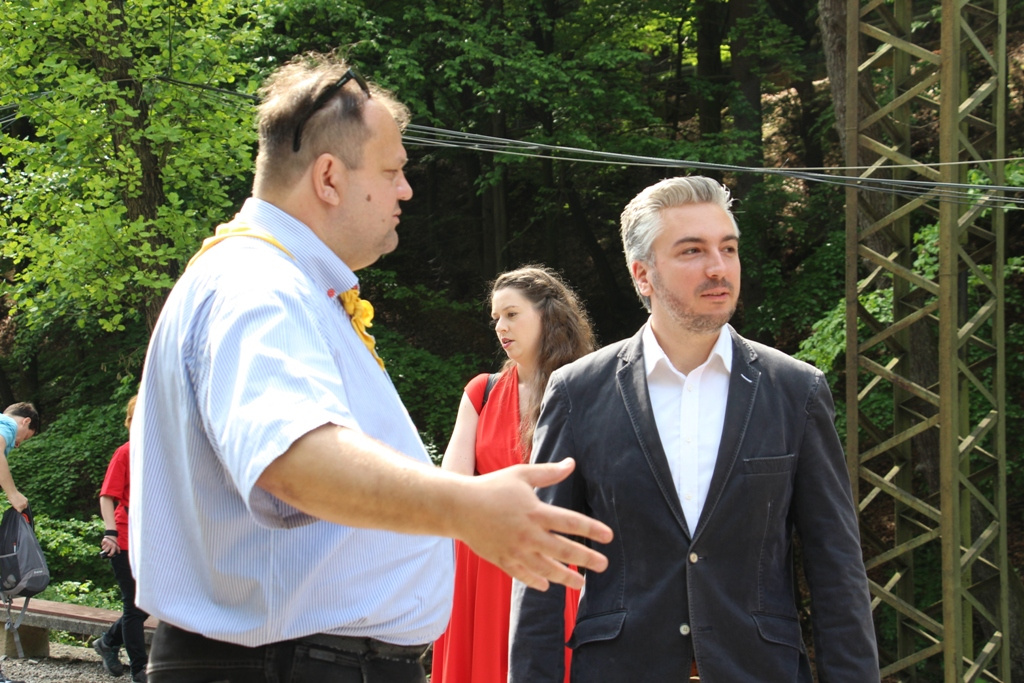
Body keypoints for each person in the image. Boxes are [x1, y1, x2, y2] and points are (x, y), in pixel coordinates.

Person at [129, 51, 611, 683]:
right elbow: (294, 459)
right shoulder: (260, 286)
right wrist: (466, 505)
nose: (406, 190)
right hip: (291, 666)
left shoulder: (275, 281)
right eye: (393, 171)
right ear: (329, 177)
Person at [508, 175, 879, 682]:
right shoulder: (578, 392)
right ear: (643, 274)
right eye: (692, 251)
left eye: (728, 248)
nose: (718, 267)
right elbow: (541, 567)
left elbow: (836, 566)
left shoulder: (796, 390)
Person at [432, 266, 596, 683]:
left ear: (547, 315)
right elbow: (450, 485)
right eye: (495, 318)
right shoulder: (481, 391)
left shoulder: (586, 391)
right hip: (479, 559)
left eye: (511, 314)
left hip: (549, 558)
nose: (500, 327)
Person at [93, 395, 148, 682]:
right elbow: (107, 496)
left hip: (151, 539)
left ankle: (108, 642)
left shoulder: (162, 453)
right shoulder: (125, 453)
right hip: (125, 538)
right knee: (133, 604)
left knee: (148, 603)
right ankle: (140, 669)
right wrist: (110, 533)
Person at [0, 402, 38, 513]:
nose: (17, 445)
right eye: (25, 437)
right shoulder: (9, 424)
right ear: (26, 422)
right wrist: (13, 494)